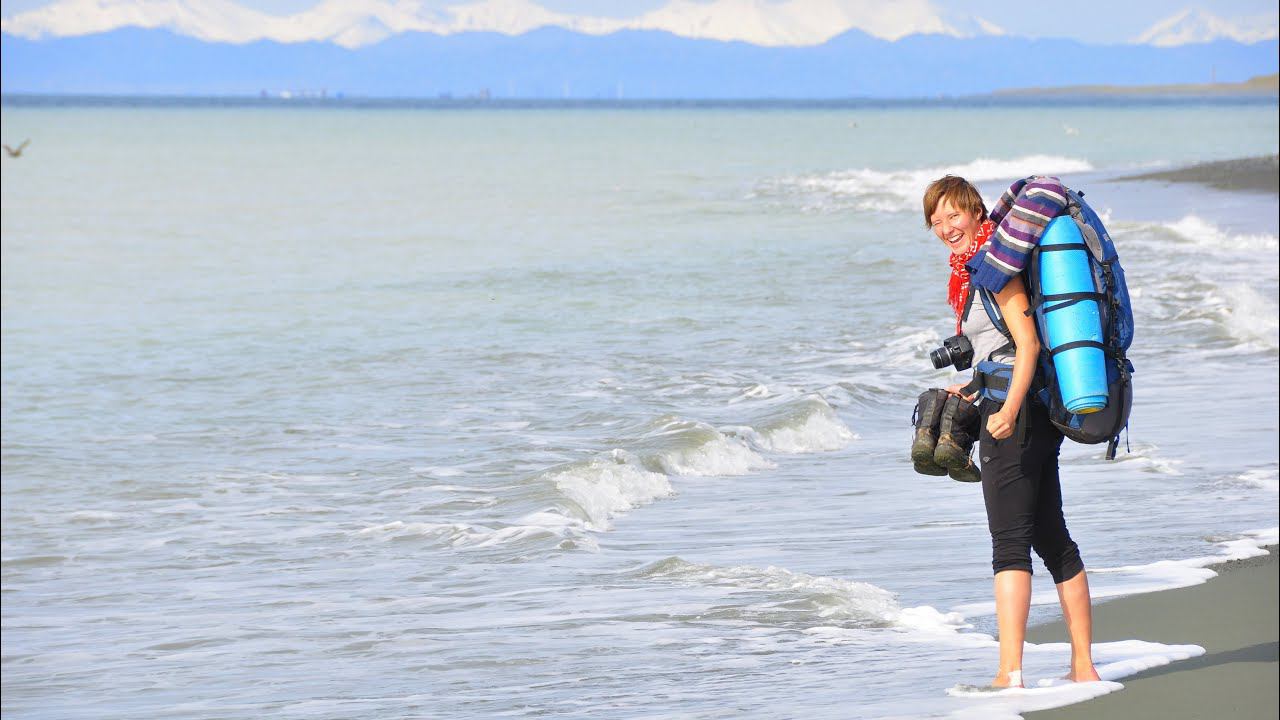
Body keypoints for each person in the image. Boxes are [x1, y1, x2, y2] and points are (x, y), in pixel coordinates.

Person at [923, 175, 1102, 688]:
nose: (945, 228)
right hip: (1024, 410)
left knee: (1009, 545)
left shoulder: (996, 269)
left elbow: (1027, 345)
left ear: (977, 212)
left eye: (953, 215)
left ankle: (1009, 672)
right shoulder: (976, 271)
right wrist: (974, 388)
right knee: (1053, 539)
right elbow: (999, 354)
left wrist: (1004, 412)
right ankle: (1082, 666)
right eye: (935, 222)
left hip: (1015, 417)